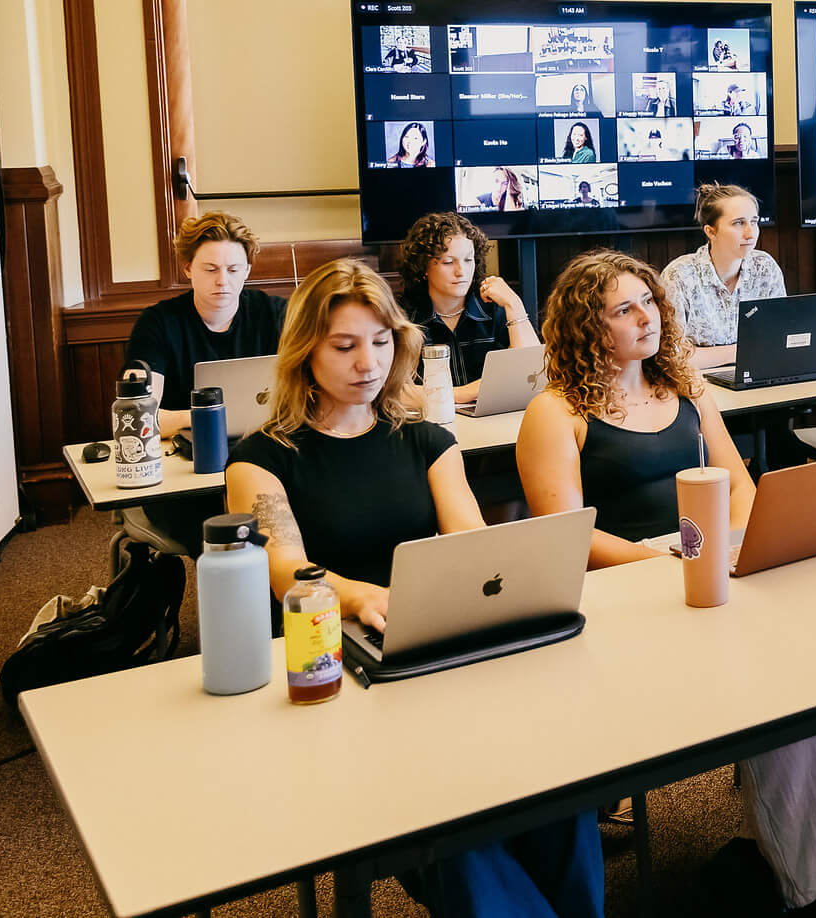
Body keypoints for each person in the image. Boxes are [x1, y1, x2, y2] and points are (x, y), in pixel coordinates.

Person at [226, 261, 602, 918]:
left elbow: (470, 543)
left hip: (431, 647)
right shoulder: (261, 458)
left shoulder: (426, 440)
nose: (367, 362)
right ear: (304, 351)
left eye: (379, 342)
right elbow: (286, 567)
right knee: (450, 828)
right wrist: (360, 595)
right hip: (333, 668)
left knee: (557, 790)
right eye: (344, 346)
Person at [517, 251, 816, 911]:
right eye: (622, 309)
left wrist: (743, 547)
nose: (645, 317)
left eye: (649, 302)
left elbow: (738, 485)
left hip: (710, 568)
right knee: (782, 684)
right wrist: (674, 566)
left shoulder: (685, 385)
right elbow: (566, 537)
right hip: (628, 594)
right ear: (586, 327)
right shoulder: (555, 411)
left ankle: (809, 849)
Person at [126, 210, 288, 438]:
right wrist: (207, 416)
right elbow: (137, 416)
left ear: (247, 272)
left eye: (233, 270)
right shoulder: (157, 322)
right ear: (188, 269)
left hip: (267, 439)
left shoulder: (276, 313)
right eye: (210, 269)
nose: (222, 281)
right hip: (186, 446)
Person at [394, 212, 538, 405]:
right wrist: (465, 393)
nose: (461, 272)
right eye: (448, 262)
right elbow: (392, 391)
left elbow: (533, 374)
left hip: (494, 422)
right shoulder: (402, 317)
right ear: (424, 267)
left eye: (468, 260)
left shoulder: (493, 309)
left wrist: (514, 304)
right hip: (430, 425)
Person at [660, 184, 786, 348]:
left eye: (754, 222)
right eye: (739, 223)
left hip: (756, 370)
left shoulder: (765, 267)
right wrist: (736, 353)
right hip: (695, 374)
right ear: (711, 232)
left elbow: (779, 337)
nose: (750, 234)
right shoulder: (679, 275)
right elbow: (673, 355)